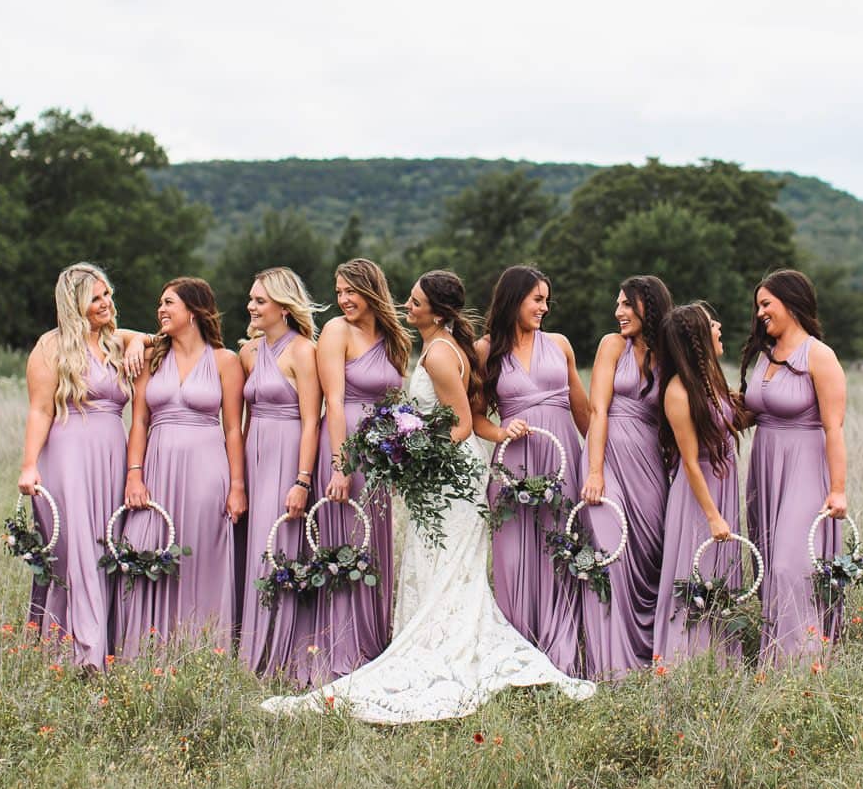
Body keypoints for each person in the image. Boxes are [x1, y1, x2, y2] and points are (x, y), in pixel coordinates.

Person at [261, 270, 595, 722]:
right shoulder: (439, 348)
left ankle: (444, 647)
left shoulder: (439, 355)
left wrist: (416, 456)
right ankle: (433, 638)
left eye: (415, 302)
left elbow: (458, 424)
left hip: (449, 480)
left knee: (446, 567)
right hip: (445, 476)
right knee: (437, 565)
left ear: (435, 311)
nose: (407, 306)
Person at [17, 262, 146, 670]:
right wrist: (28, 466)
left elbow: (163, 336)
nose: (106, 303)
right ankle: (82, 654)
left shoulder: (115, 342)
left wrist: (140, 341)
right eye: (96, 298)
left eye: (108, 294)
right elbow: (39, 410)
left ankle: (103, 643)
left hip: (112, 456)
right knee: (76, 551)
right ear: (75, 304)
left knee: (106, 546)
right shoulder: (50, 347)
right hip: (68, 456)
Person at [118, 277, 246, 656]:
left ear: (193, 310)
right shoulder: (152, 356)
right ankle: (144, 649)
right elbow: (138, 421)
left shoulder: (225, 361)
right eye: (160, 303)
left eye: (169, 303)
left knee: (201, 553)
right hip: (156, 468)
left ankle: (201, 649)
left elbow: (234, 430)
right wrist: (134, 474)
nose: (161, 309)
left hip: (207, 471)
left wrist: (237, 486)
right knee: (145, 545)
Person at [476, 265, 590, 677]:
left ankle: (561, 652)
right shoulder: (485, 350)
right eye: (537, 299)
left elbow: (584, 413)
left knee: (559, 551)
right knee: (513, 558)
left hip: (563, 463)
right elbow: (474, 419)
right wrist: (503, 430)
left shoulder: (559, 344)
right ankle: (517, 654)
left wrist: (600, 462)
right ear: (514, 299)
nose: (544, 307)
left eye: (546, 299)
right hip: (514, 464)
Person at [739, 269, 848, 663]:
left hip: (804, 467)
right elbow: (749, 414)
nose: (761, 312)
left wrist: (838, 489)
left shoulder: (819, 355)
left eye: (766, 303)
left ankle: (802, 665)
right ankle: (774, 658)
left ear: (791, 302)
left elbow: (834, 427)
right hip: (765, 469)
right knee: (767, 565)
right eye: (758, 306)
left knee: (791, 563)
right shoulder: (766, 357)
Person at [306, 258, 408, 677]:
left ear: (371, 291)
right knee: (345, 542)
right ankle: (341, 650)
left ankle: (372, 642)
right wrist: (339, 466)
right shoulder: (336, 331)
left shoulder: (392, 337)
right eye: (339, 291)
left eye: (351, 291)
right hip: (345, 447)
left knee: (374, 546)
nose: (343, 299)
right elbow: (333, 401)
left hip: (379, 457)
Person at [579, 275, 673, 677]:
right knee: (610, 551)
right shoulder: (611, 345)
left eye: (626, 305)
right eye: (617, 304)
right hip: (608, 455)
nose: (618, 312)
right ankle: (611, 662)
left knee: (651, 555)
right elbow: (598, 410)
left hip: (650, 463)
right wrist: (595, 472)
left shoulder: (668, 352)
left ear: (648, 307)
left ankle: (649, 652)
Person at [236, 267, 324, 681]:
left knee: (279, 548)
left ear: (283, 307)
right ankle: (250, 643)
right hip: (254, 454)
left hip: (288, 453)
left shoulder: (303, 351)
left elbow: (312, 421)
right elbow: (244, 416)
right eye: (251, 300)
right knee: (252, 548)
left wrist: (302, 480)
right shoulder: (248, 354)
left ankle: (280, 652)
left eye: (260, 301)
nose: (251, 307)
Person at [653, 302, 746, 667]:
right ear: (696, 339)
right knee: (697, 570)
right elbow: (690, 462)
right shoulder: (678, 391)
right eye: (712, 324)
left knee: (719, 573)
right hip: (699, 494)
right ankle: (685, 658)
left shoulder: (711, 376)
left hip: (722, 484)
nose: (719, 327)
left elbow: (731, 420)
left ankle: (720, 657)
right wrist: (713, 517)